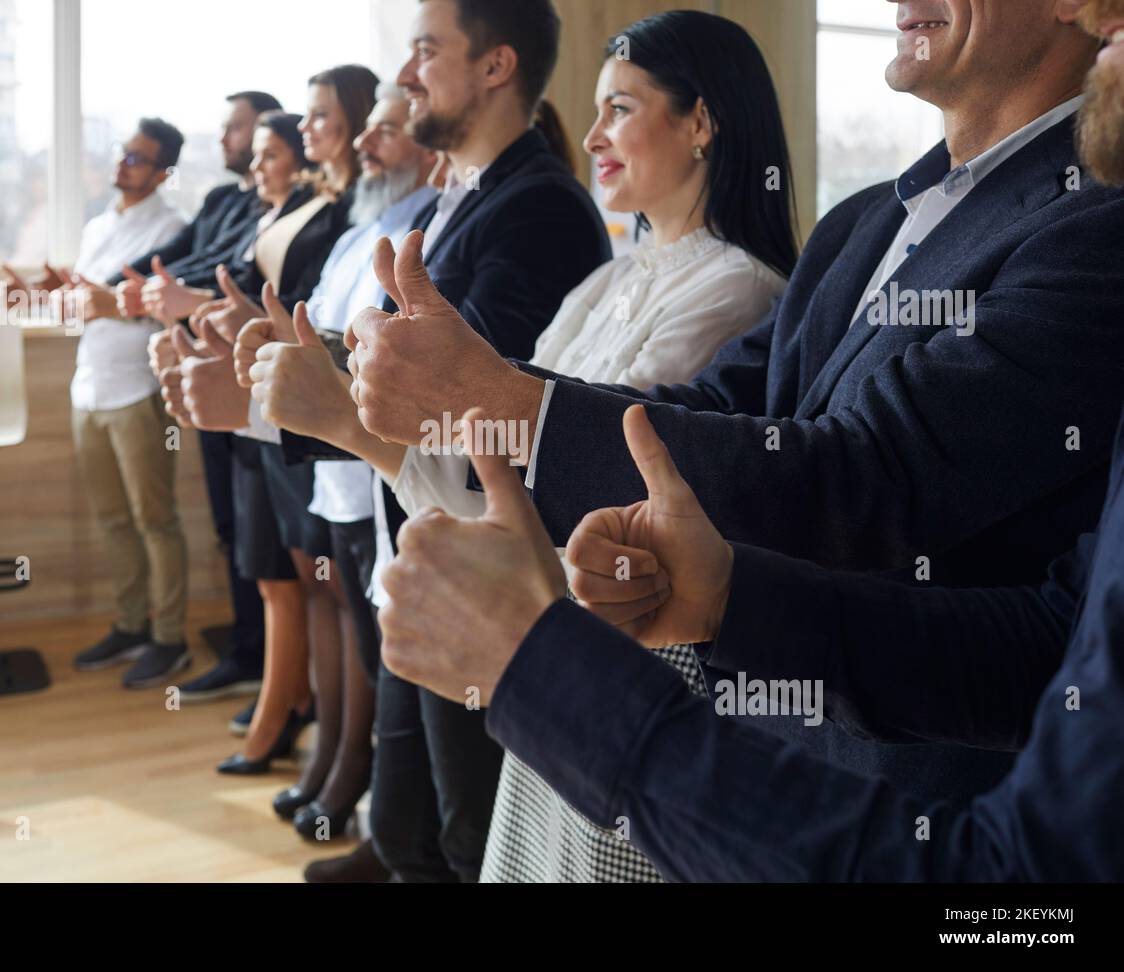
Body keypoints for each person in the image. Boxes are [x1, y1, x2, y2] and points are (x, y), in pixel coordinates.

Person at [376, 0, 1124, 883]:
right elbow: (719, 408)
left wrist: (502, 403)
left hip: (914, 809)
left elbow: (868, 473)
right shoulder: (863, 223)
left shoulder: (1097, 221)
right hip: (759, 765)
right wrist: (727, 596)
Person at [250, 10, 797, 882]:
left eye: (620, 108)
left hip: (629, 662)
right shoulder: (609, 278)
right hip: (553, 639)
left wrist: (354, 422)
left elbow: (578, 493)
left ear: (701, 122)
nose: (590, 135)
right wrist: (353, 416)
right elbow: (497, 480)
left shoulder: (738, 290)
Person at [277, 0, 611, 884]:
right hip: (424, 527)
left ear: (495, 66)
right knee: (413, 815)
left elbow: (468, 412)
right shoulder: (471, 196)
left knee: (466, 835)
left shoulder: (539, 207)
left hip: (488, 558)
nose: (407, 74)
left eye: (427, 50)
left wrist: (325, 384)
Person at [158, 69, 380, 792]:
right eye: (306, 117)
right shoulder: (306, 204)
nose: (311, 129)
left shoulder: (346, 213)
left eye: (320, 117)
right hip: (257, 393)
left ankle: (321, 738)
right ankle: (300, 719)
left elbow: (310, 312)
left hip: (306, 406)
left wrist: (240, 316)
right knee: (287, 572)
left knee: (313, 579)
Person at [238, 86, 439, 860]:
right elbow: (321, 325)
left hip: (376, 464)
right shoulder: (364, 224)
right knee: (337, 611)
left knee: (371, 632)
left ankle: (359, 789)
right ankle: (336, 770)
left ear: (426, 145)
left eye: (385, 131)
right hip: (331, 454)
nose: (367, 147)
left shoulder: (421, 224)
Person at [7, 118, 191, 686]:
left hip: (137, 388)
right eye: (122, 153)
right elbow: (84, 302)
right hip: (87, 386)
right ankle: (131, 624)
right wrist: (42, 295)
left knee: (154, 519)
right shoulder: (97, 225)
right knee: (113, 519)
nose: (123, 165)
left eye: (138, 158)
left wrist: (95, 297)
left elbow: (149, 303)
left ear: (163, 173)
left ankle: (170, 638)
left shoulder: (174, 228)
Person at [118, 91, 281, 703]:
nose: (225, 139)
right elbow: (193, 259)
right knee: (229, 526)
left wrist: (187, 300)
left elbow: (231, 281)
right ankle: (249, 650)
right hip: (211, 372)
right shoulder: (225, 199)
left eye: (237, 129)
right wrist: (119, 288)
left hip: (252, 384)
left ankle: (263, 662)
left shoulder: (280, 212)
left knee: (265, 543)